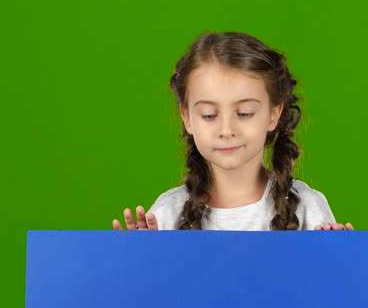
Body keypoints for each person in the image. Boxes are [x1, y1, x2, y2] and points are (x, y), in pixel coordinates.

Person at [112, 31, 354, 232]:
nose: (226, 130)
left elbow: (331, 286)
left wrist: (343, 258)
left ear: (274, 114)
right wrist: (140, 260)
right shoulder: (167, 214)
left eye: (245, 113)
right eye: (209, 115)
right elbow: (152, 288)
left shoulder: (306, 207)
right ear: (186, 117)